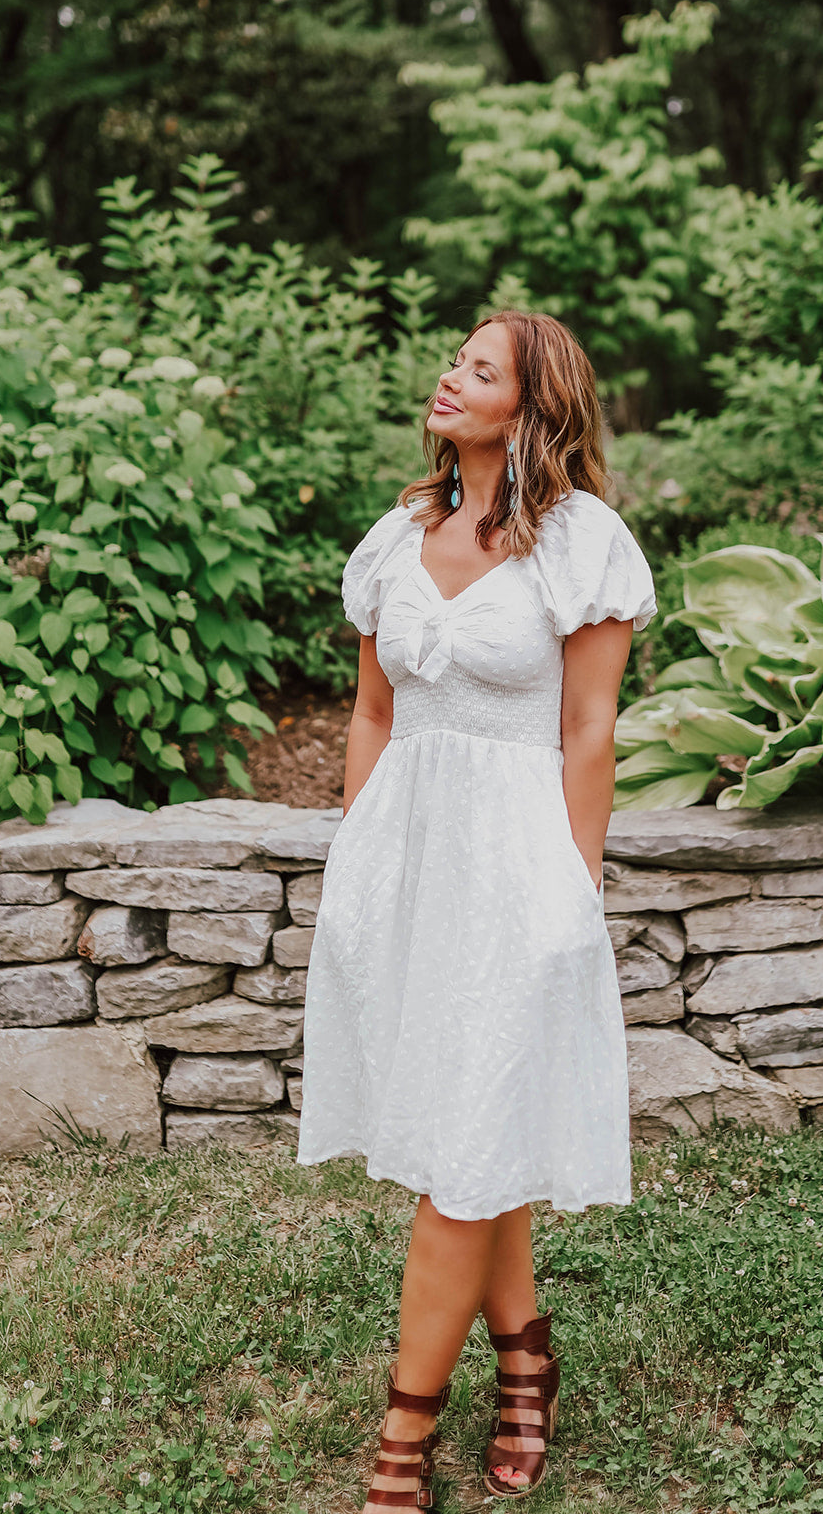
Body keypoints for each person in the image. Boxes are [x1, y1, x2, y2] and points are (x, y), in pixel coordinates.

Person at [296, 310, 657, 1508]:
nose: (450, 376)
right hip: (402, 862)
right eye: (454, 360)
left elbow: (588, 730)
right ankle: (526, 1366)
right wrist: (354, 854)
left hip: (515, 868)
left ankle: (399, 1445)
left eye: (481, 368)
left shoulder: (581, 543)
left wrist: (573, 887)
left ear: (535, 405)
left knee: (458, 1157)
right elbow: (371, 713)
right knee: (468, 1126)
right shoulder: (397, 539)